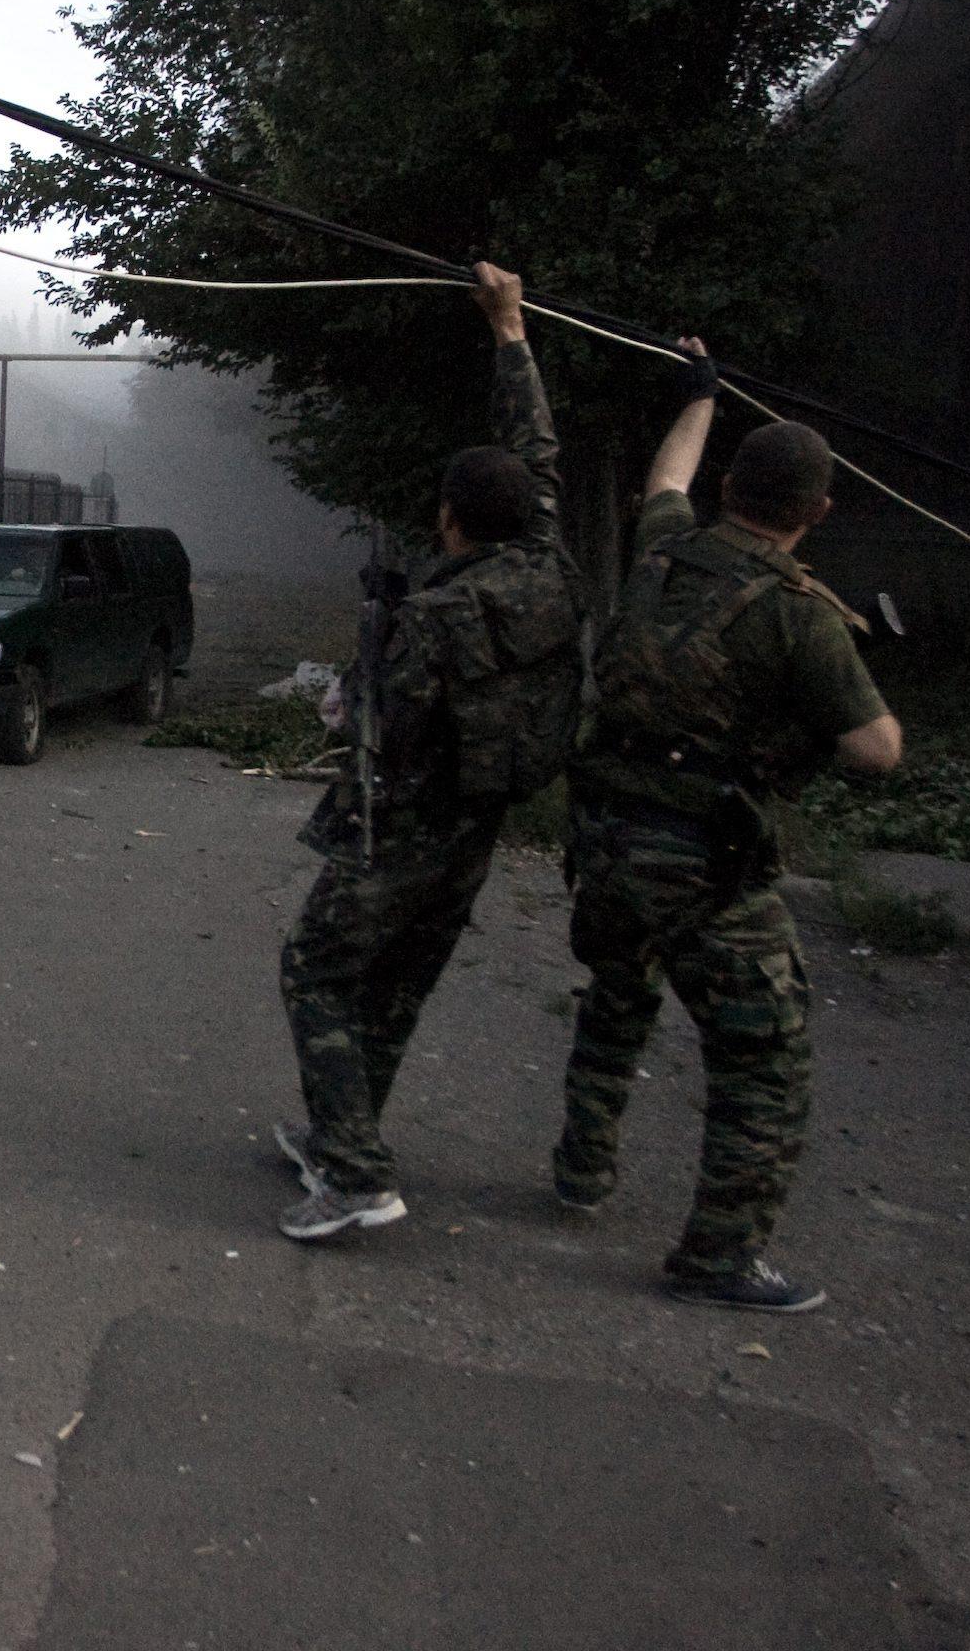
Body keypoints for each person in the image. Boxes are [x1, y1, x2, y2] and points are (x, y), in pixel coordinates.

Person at [554, 350, 903, 1314]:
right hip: (706, 863)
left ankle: (581, 1170)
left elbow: (667, 476)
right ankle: (719, 1255)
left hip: (606, 836)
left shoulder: (662, 545)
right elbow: (876, 751)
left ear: (729, 490)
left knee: (617, 998)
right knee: (763, 1060)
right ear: (818, 512)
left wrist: (698, 395)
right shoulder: (801, 615)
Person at [275, 262, 585, 1243]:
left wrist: (353, 685)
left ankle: (359, 1175)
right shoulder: (548, 564)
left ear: (450, 518)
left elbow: (375, 729)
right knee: (400, 978)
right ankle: (344, 1130)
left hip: (407, 820)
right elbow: (535, 444)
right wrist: (510, 328)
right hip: (479, 821)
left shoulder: (440, 614)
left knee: (317, 965)